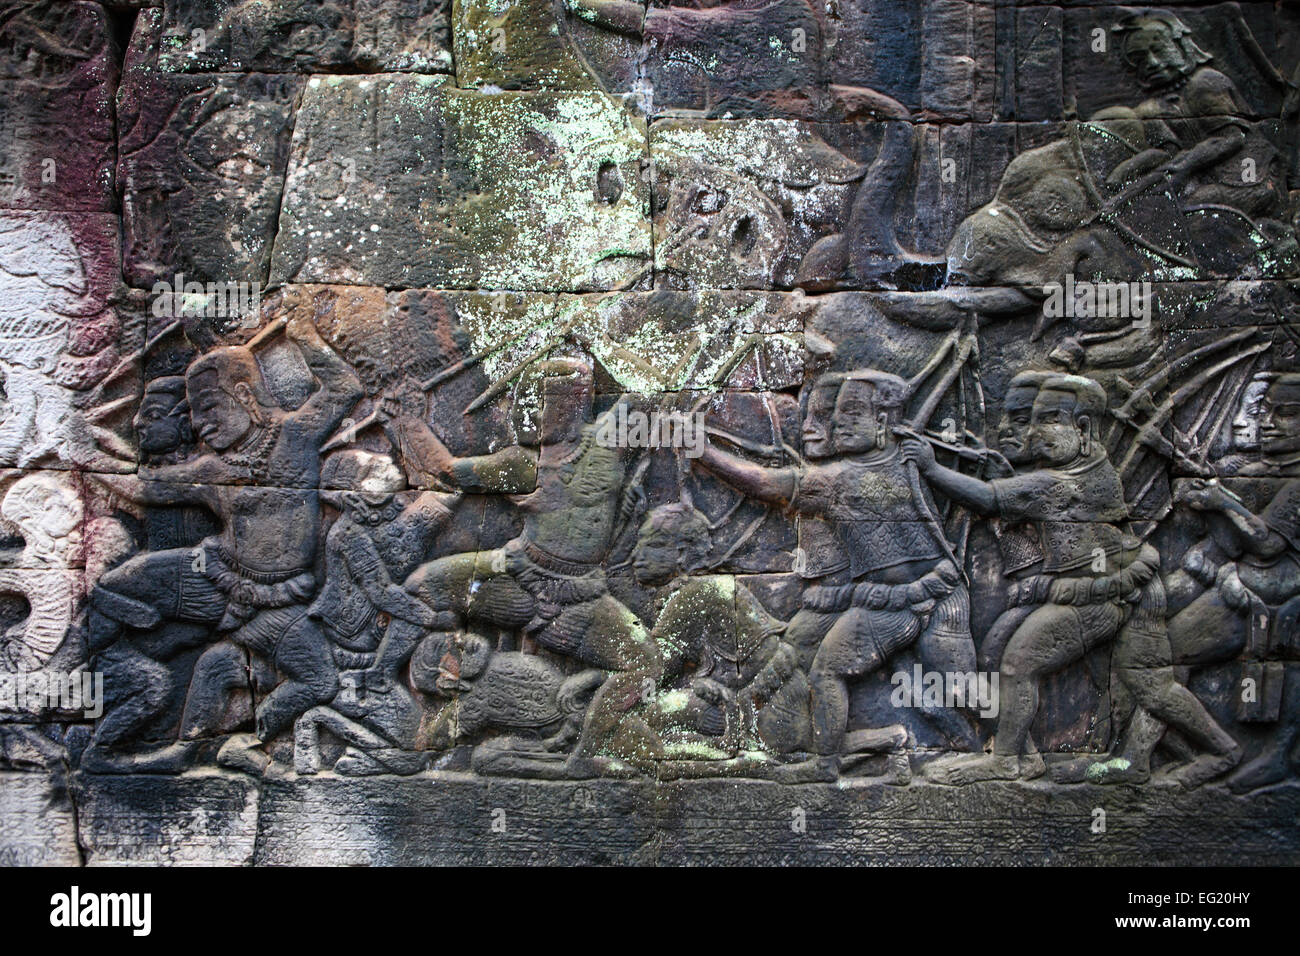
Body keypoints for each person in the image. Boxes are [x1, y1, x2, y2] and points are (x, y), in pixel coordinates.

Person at [906, 374, 1240, 786]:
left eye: (1047, 421)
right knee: (1152, 685)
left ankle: (1010, 760)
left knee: (1018, 663)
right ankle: (1203, 753)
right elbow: (1020, 492)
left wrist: (930, 467)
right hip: (1132, 585)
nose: (1033, 433)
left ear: (1082, 428)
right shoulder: (1095, 465)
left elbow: (990, 499)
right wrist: (1003, 471)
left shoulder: (1059, 483)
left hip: (1101, 594)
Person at [383, 358, 662, 777]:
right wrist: (407, 421)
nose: (542, 414)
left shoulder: (608, 444)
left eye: (557, 402)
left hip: (580, 597)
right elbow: (447, 470)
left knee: (645, 664)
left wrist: (604, 343)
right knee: (422, 586)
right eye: (537, 403)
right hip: (518, 578)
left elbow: (647, 384)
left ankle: (582, 756)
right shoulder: (521, 463)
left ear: (581, 406)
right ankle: (387, 689)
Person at [694, 369, 977, 782]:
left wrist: (703, 451)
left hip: (939, 599)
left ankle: (1006, 750)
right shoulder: (895, 462)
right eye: (837, 413)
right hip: (884, 603)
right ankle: (827, 762)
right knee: (835, 668)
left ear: (882, 423)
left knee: (959, 688)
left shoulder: (849, 478)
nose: (838, 423)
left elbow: (764, 484)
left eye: (852, 412)